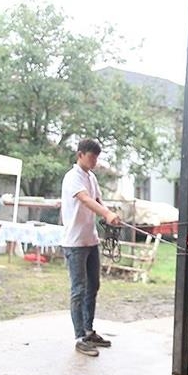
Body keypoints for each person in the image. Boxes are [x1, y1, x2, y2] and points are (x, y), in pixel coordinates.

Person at [60, 138, 121, 357]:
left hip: (91, 240)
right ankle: (79, 338)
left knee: (93, 286)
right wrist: (105, 213)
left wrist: (110, 216)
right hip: (75, 243)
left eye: (97, 156)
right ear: (80, 155)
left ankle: (88, 329)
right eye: (91, 156)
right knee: (78, 290)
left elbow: (97, 201)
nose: (94, 160)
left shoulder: (91, 177)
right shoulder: (72, 178)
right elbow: (85, 200)